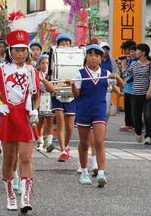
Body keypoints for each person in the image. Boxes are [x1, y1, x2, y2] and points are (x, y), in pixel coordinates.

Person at [0, 12, 40, 213]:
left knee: (26, 158)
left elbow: (36, 94)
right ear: (10, 51)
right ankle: (10, 195)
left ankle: (25, 196)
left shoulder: (32, 71)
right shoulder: (1, 71)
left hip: (25, 118)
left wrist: (36, 111)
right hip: (7, 117)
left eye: (24, 50)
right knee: (8, 160)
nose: (21, 54)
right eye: (17, 50)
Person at [65, 44, 124, 187]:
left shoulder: (106, 72)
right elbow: (76, 94)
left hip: (99, 111)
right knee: (84, 143)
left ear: (100, 58)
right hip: (84, 111)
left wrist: (116, 76)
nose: (93, 58)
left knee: (99, 141)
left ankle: (101, 172)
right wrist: (72, 84)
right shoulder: (80, 74)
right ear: (86, 57)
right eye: (90, 55)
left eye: (97, 55)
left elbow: (122, 85)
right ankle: (84, 172)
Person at [121, 43, 151, 145]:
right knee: (135, 115)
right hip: (135, 92)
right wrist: (123, 64)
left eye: (137, 50)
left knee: (148, 115)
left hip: (147, 93)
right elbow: (126, 74)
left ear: (143, 52)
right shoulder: (134, 64)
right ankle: (138, 131)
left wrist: (149, 91)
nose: (134, 52)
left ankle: (149, 136)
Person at [51, 33, 76, 162]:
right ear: (58, 44)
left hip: (71, 94)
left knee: (70, 127)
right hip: (57, 94)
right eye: (62, 43)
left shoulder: (76, 56)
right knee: (60, 123)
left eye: (67, 43)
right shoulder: (53, 55)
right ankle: (62, 150)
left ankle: (66, 146)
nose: (65, 46)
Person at [36, 54, 55, 152]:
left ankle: (49, 142)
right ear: (39, 64)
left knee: (50, 121)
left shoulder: (52, 74)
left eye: (47, 63)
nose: (45, 65)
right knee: (41, 122)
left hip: (49, 98)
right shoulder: (37, 74)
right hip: (40, 98)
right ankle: (40, 141)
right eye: (42, 63)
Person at [99, 42, 120, 121]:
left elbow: (116, 73)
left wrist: (112, 82)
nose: (104, 51)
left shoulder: (112, 61)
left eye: (106, 49)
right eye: (103, 49)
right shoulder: (98, 60)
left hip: (108, 87)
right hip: (97, 86)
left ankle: (104, 124)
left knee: (107, 110)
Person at [119, 43, 137, 132]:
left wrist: (123, 63)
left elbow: (129, 72)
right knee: (128, 107)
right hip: (127, 87)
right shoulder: (130, 59)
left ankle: (135, 125)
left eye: (132, 51)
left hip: (134, 88)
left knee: (134, 108)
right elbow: (125, 72)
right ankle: (128, 124)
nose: (129, 53)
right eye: (130, 51)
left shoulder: (136, 61)